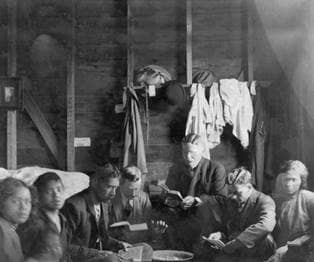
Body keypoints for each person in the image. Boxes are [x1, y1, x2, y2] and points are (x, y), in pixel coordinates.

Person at [164, 133, 227, 250]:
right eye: (185, 153)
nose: (188, 157)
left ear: (202, 150)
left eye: (193, 153)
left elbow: (221, 199)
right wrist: (172, 201)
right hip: (181, 221)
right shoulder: (175, 169)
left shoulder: (216, 169)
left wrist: (197, 200)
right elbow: (168, 195)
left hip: (207, 223)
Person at [205, 167, 276, 262]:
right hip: (237, 249)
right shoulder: (232, 201)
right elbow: (230, 227)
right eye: (230, 192)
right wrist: (221, 235)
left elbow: (266, 226)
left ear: (249, 187)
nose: (233, 197)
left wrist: (237, 243)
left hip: (259, 250)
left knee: (266, 239)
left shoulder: (265, 201)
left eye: (237, 193)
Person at [61, 164, 129, 253]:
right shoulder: (74, 206)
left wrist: (118, 244)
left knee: (142, 250)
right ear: (94, 182)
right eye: (109, 187)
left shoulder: (105, 204)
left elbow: (102, 238)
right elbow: (63, 247)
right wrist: (96, 254)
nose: (113, 193)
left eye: (115, 188)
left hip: (96, 257)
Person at [266, 160, 314, 262]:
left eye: (293, 180)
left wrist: (291, 246)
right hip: (279, 251)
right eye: (286, 179)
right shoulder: (276, 200)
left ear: (302, 180)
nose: (288, 184)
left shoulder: (309, 198)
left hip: (304, 251)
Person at [110, 166, 152, 243]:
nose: (133, 194)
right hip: (115, 244)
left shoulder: (144, 198)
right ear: (120, 184)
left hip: (138, 244)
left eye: (136, 189)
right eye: (130, 189)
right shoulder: (110, 198)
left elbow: (148, 225)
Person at [0, 177, 32, 262]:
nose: (23, 207)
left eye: (27, 201)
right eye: (16, 201)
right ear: (1, 201)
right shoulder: (2, 231)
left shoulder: (10, 230)